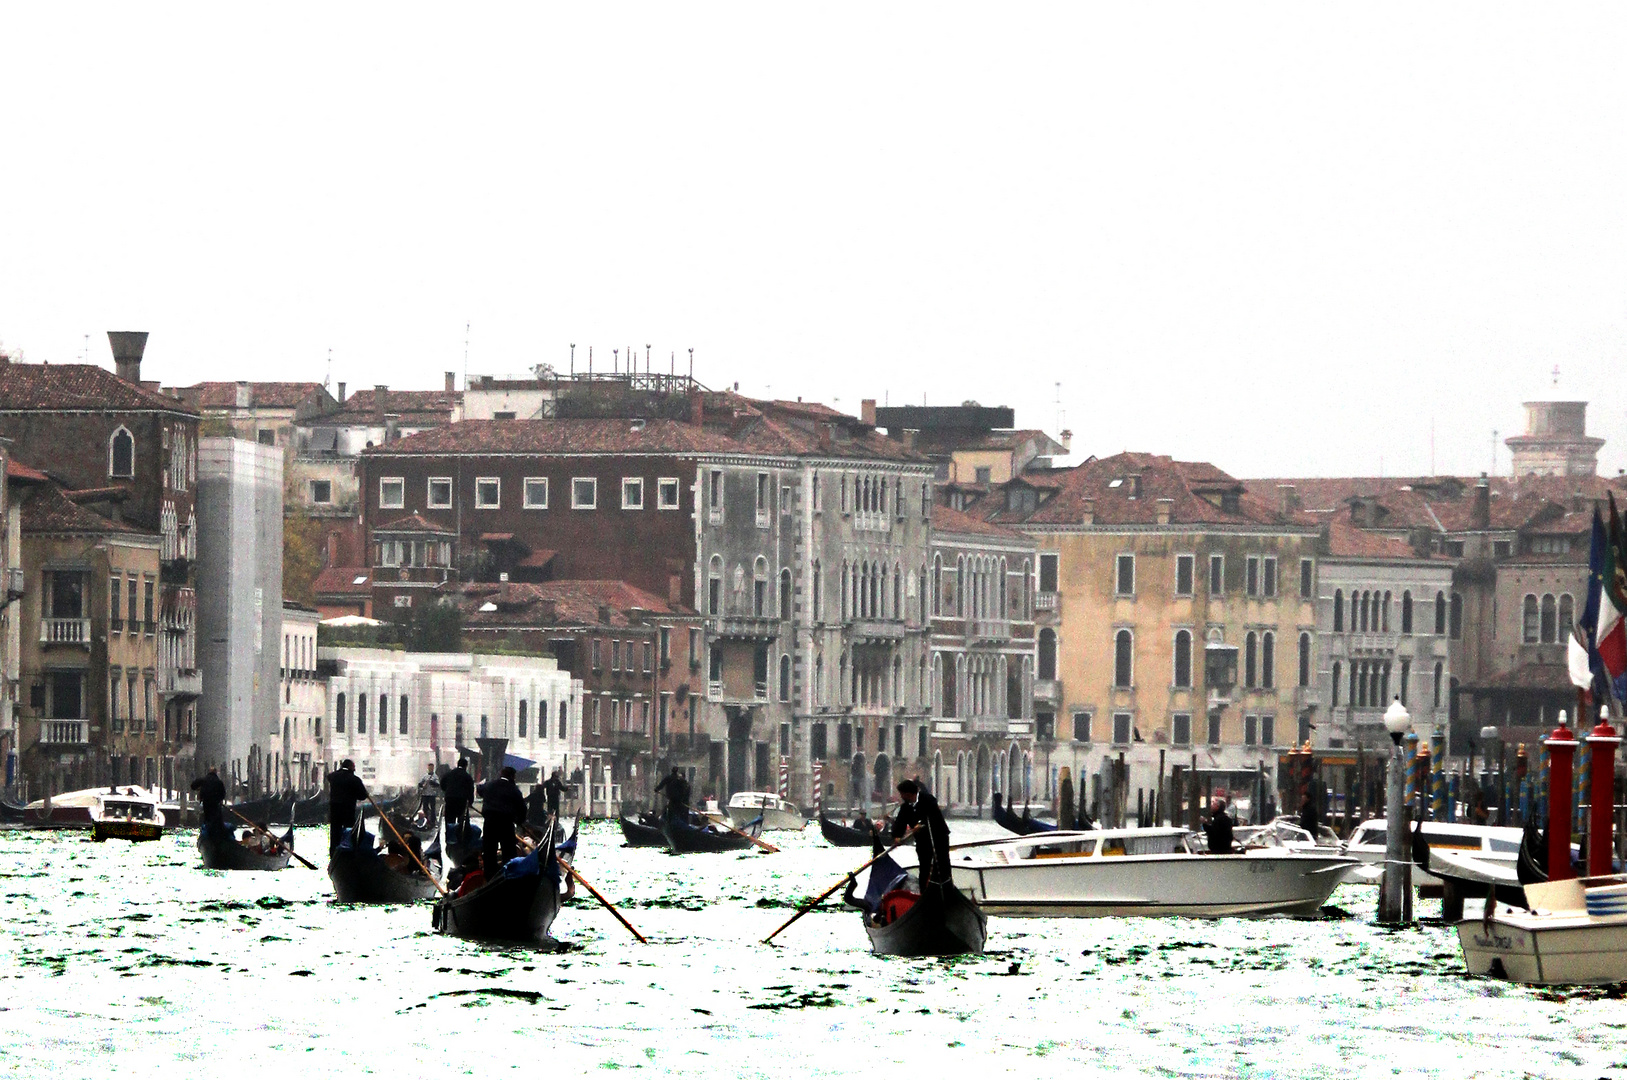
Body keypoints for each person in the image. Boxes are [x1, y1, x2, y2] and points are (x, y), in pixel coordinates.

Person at [891, 778, 951, 885]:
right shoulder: (906, 807)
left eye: (902, 794)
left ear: (908, 794)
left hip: (938, 837)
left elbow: (932, 815)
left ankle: (945, 884)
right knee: (924, 866)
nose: (901, 796)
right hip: (922, 840)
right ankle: (924, 890)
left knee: (942, 864)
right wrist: (896, 835)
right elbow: (900, 822)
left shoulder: (928, 799)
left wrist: (921, 823)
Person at [478, 765, 528, 876]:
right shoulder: (514, 790)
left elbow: (479, 789)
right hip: (506, 823)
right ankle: (509, 874)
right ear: (513, 777)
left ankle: (489, 876)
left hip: (490, 822)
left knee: (489, 850)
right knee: (509, 851)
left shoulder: (490, 785)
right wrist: (520, 821)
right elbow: (522, 808)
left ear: (501, 774)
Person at [326, 759, 370, 854]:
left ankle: (333, 852)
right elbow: (362, 796)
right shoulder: (355, 780)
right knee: (349, 830)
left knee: (335, 831)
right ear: (351, 767)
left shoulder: (334, 777)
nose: (354, 769)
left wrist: (340, 770)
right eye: (353, 767)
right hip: (348, 810)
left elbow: (329, 776)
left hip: (334, 810)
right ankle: (348, 851)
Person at [442, 758, 475, 845]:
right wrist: (470, 802)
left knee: (449, 820)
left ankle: (449, 839)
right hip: (462, 801)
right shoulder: (467, 776)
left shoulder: (449, 774)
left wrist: (448, 792)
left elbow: (442, 784)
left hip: (450, 800)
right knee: (463, 820)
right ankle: (461, 839)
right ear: (466, 766)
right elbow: (471, 790)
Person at [190, 766, 226, 833]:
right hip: (216, 804)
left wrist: (199, 789)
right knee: (216, 819)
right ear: (216, 773)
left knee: (207, 819)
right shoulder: (219, 782)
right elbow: (223, 794)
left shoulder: (203, 780)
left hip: (206, 803)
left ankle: (208, 832)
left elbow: (193, 786)